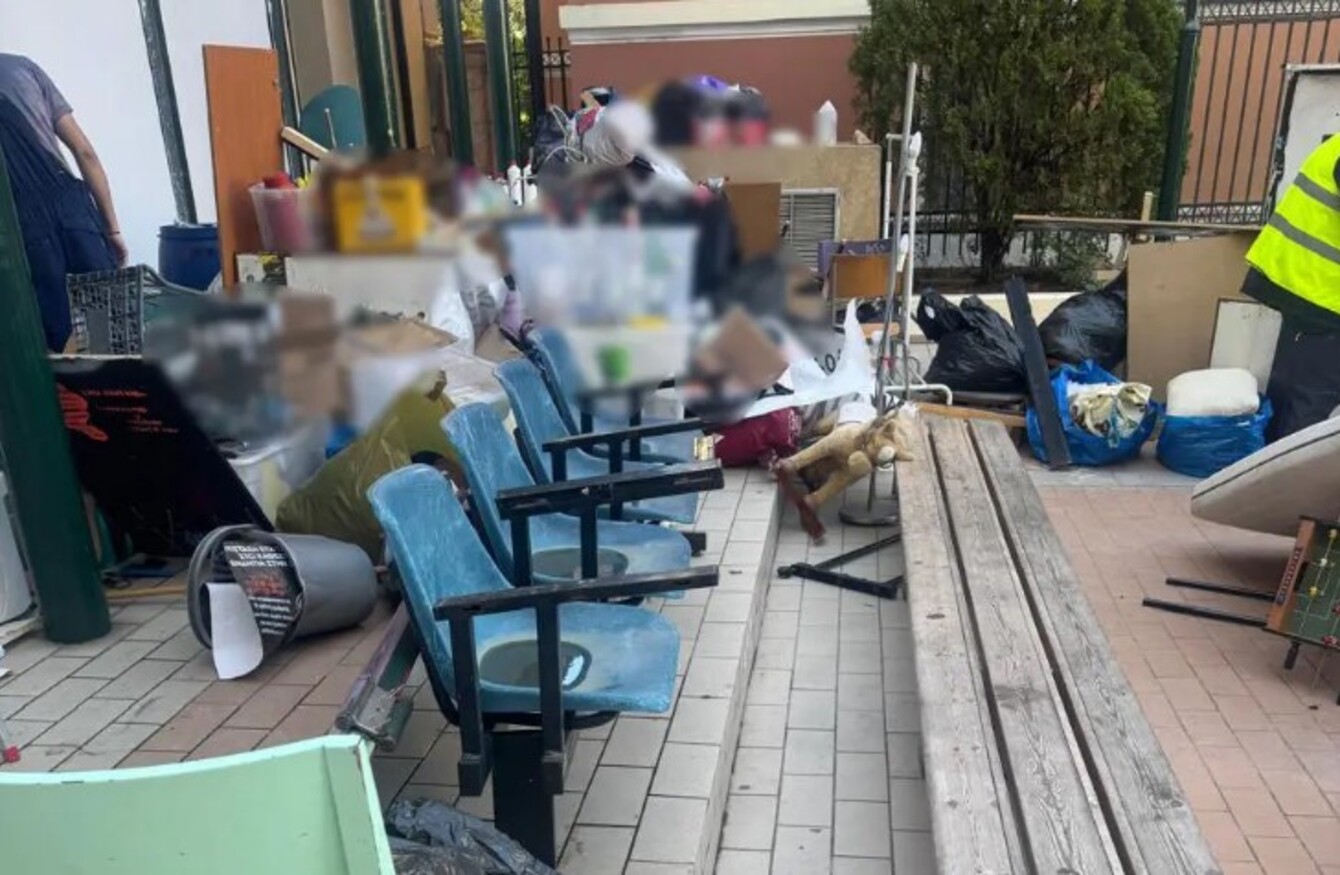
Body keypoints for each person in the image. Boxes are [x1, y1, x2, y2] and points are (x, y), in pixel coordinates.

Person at [0, 53, 123, 351]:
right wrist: (112, 229)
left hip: (22, 224)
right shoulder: (23, 68)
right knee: (110, 321)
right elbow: (85, 153)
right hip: (73, 206)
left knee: (57, 342)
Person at [1242, 132, 1340, 441]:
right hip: (1321, 293)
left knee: (1290, 390)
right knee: (1313, 396)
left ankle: (1268, 460)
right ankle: (1290, 468)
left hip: (1305, 285)